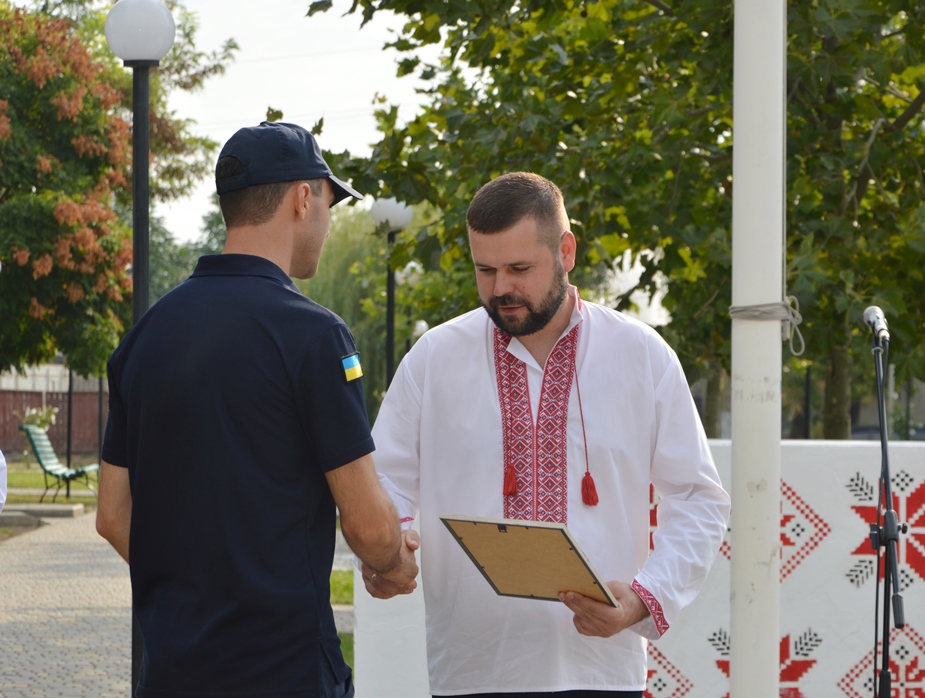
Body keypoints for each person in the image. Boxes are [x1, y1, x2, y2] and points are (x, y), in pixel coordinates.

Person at [368, 172, 731, 697]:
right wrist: (390, 549)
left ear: (566, 251)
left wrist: (642, 599)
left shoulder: (641, 356)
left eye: (519, 268)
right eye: (485, 269)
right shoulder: (434, 358)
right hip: (472, 670)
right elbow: (387, 479)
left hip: (601, 669)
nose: (500, 289)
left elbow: (699, 500)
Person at [96, 121, 419, 698]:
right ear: (302, 197)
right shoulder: (315, 336)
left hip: (170, 671)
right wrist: (394, 563)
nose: (326, 220)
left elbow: (113, 517)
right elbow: (369, 526)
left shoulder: (144, 338)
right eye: (327, 202)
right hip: (283, 669)